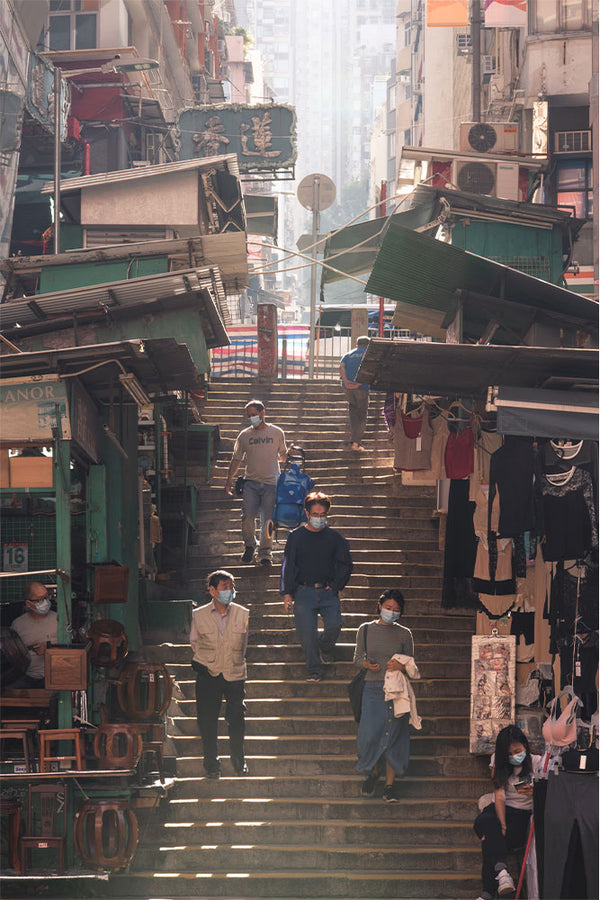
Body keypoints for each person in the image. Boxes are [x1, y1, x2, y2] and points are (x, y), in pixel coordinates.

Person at [281, 491, 352, 682]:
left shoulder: (335, 538)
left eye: (323, 515)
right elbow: (288, 564)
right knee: (307, 635)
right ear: (307, 513)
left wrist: (336, 585)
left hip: (328, 592)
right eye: (315, 514)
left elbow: (345, 563)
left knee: (335, 624)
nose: (319, 518)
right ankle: (314, 671)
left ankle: (326, 647)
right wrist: (287, 593)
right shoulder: (295, 537)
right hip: (303, 592)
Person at [353, 589, 417, 802]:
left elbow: (411, 665)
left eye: (396, 610)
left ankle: (389, 786)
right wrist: (366, 664)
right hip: (372, 688)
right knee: (368, 734)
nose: (391, 612)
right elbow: (356, 659)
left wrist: (401, 665)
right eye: (388, 608)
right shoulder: (365, 629)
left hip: (397, 691)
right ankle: (372, 771)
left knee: (395, 737)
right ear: (379, 606)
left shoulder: (404, 633)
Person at [190, 569, 250, 778]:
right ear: (213, 591)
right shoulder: (198, 615)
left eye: (232, 587)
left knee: (237, 718)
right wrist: (207, 662)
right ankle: (211, 764)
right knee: (207, 720)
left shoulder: (243, 613)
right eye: (225, 587)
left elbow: (244, 644)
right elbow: (194, 642)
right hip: (208, 673)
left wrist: (234, 660)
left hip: (234, 673)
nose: (230, 591)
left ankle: (238, 759)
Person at [473, 724, 542, 900]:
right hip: (500, 809)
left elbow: (549, 792)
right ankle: (502, 872)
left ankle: (488, 893)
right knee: (483, 822)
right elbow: (499, 795)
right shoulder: (498, 760)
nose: (514, 756)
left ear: (525, 746)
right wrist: (502, 825)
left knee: (489, 838)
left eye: (517, 751)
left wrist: (536, 792)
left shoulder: (536, 762)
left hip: (522, 813)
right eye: (509, 754)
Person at [224, 400, 287, 566]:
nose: (252, 418)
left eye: (254, 414)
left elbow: (283, 456)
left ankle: (265, 553)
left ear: (263, 412)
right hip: (250, 483)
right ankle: (249, 546)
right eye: (249, 416)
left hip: (272, 483)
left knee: (268, 520)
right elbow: (237, 458)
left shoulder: (277, 432)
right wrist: (229, 479)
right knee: (247, 516)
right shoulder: (244, 435)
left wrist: (289, 453)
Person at [9, 582, 58, 688]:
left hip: (55, 676)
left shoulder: (59, 620)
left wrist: (48, 649)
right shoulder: (18, 624)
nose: (45, 602)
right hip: (26, 677)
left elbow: (71, 649)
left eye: (46, 597)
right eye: (39, 599)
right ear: (28, 603)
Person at [340, 335, 370, 451]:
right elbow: (369, 370)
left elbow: (342, 367)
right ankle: (356, 443)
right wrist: (359, 383)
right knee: (362, 415)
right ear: (368, 346)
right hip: (362, 388)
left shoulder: (347, 355)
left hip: (347, 388)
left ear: (356, 345)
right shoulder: (368, 355)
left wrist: (347, 382)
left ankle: (354, 439)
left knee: (353, 413)